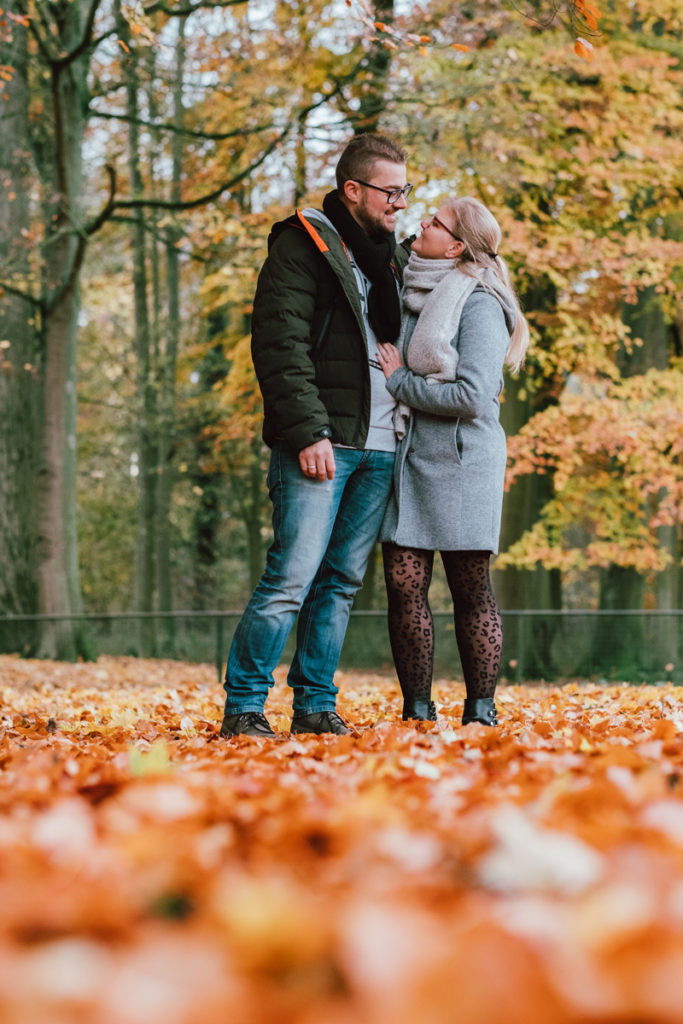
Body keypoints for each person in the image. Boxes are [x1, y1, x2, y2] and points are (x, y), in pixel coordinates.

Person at [220, 133, 414, 738]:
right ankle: (245, 706)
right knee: (291, 578)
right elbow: (279, 345)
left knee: (340, 584)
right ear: (353, 189)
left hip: (381, 444)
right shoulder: (302, 247)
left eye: (406, 192)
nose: (400, 203)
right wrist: (308, 431)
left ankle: (315, 705)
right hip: (322, 441)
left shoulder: (392, 259)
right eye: (390, 191)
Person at [375, 196, 529, 727]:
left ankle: (480, 710)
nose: (422, 222)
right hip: (410, 456)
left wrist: (399, 381)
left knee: (470, 589)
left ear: (458, 244)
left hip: (464, 462)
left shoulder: (480, 301)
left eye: (435, 221)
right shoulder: (411, 286)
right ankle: (417, 710)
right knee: (402, 581)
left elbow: (471, 396)